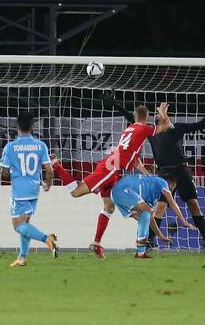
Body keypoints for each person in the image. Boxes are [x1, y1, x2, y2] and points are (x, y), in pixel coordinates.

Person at [62, 102, 158, 258]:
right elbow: (161, 129)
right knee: (75, 192)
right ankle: (56, 164)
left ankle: (97, 243)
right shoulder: (141, 130)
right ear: (147, 117)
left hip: (113, 168)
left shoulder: (129, 130)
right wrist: (164, 117)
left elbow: (135, 161)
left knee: (109, 207)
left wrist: (147, 173)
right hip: (110, 169)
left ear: (134, 116)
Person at [121, 99, 205, 253]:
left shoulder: (177, 128)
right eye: (157, 117)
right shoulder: (151, 132)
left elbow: (201, 125)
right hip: (164, 172)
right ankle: (151, 241)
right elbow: (131, 118)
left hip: (181, 170)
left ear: (167, 118)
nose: (159, 117)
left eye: (161, 115)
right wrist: (115, 104)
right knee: (160, 207)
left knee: (194, 205)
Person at [0, 112, 60, 267]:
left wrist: (9, 168)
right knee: (25, 224)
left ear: (17, 127)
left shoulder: (10, 147)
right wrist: (48, 184)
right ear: (32, 127)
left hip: (19, 191)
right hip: (34, 190)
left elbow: (4, 173)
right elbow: (49, 169)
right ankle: (22, 258)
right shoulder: (41, 146)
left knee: (18, 227)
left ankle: (47, 240)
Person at [110, 172, 195, 258]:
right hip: (124, 189)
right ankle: (141, 242)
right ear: (171, 183)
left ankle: (141, 252)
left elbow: (150, 218)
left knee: (145, 216)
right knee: (147, 212)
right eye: (174, 187)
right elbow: (172, 203)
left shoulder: (152, 195)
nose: (172, 190)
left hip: (116, 194)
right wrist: (184, 222)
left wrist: (160, 235)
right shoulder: (163, 182)